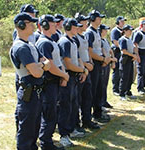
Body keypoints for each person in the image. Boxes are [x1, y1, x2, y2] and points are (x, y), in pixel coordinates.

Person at [9, 12, 51, 150]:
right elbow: (38, 73)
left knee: (34, 128)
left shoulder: (30, 45)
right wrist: (41, 66)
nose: (33, 26)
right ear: (21, 25)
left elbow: (47, 62)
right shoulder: (21, 47)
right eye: (30, 23)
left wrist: (41, 65)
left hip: (36, 92)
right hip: (29, 93)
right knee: (27, 131)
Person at [35, 14, 69, 150]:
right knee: (49, 114)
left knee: (52, 113)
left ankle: (47, 141)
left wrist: (62, 75)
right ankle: (46, 144)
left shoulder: (51, 40)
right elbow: (51, 67)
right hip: (48, 83)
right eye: (52, 23)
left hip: (54, 82)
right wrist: (64, 75)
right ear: (45, 25)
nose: (56, 25)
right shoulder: (44, 43)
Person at [57, 18, 88, 147]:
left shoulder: (73, 40)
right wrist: (83, 69)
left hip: (75, 76)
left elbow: (78, 58)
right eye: (75, 27)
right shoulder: (64, 42)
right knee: (65, 106)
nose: (78, 28)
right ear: (69, 27)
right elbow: (68, 64)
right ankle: (64, 135)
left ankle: (71, 129)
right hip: (68, 76)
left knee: (74, 104)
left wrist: (82, 70)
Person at [73, 13, 100, 130]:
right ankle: (75, 123)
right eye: (84, 21)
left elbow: (87, 51)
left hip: (86, 70)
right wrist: (84, 67)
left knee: (87, 97)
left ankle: (87, 120)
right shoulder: (74, 38)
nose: (86, 23)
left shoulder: (84, 36)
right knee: (77, 99)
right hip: (80, 70)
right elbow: (76, 56)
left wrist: (90, 62)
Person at [85, 10, 111, 123]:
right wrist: (102, 59)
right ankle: (93, 114)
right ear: (93, 19)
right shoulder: (89, 32)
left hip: (99, 63)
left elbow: (100, 48)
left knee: (99, 89)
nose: (100, 19)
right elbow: (89, 51)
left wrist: (105, 59)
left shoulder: (96, 31)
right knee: (93, 90)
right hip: (94, 64)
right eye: (98, 18)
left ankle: (98, 111)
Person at [118, 24, 139, 100]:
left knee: (130, 77)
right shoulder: (122, 39)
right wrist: (132, 55)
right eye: (129, 30)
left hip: (130, 60)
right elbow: (124, 51)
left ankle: (128, 91)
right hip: (125, 59)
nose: (130, 32)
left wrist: (134, 55)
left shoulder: (129, 39)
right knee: (124, 77)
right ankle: (122, 93)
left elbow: (133, 49)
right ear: (125, 31)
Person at [98, 24, 117, 108]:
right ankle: (100, 102)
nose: (106, 32)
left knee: (105, 83)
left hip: (107, 63)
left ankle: (104, 100)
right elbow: (104, 53)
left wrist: (112, 60)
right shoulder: (99, 40)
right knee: (101, 84)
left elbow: (110, 51)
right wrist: (111, 60)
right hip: (103, 64)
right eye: (105, 30)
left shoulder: (105, 40)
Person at [110, 16, 127, 96]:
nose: (123, 23)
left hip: (122, 52)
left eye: (124, 21)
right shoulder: (115, 31)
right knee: (116, 71)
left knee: (121, 71)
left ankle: (120, 88)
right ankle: (115, 89)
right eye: (121, 21)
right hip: (116, 52)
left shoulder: (123, 30)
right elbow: (115, 42)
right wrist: (122, 48)